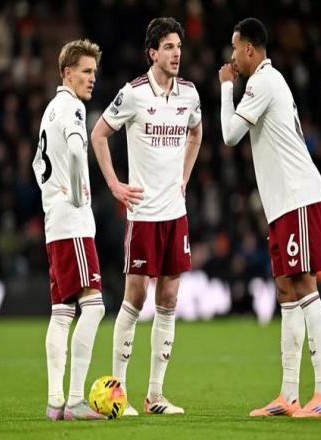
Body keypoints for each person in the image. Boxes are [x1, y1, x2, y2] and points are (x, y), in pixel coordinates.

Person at [219, 18, 321, 418]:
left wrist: (225, 87)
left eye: (235, 48)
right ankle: (288, 395)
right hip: (283, 203)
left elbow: (230, 135)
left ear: (249, 49)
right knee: (286, 290)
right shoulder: (269, 81)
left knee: (303, 285)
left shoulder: (262, 82)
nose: (232, 56)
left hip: (298, 197)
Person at [91, 17, 202, 416]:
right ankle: (117, 393)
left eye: (179, 47)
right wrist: (115, 185)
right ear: (152, 53)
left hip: (176, 214)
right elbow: (99, 135)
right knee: (135, 298)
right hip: (143, 216)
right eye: (168, 47)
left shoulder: (189, 94)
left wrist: (184, 178)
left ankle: (155, 396)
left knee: (169, 298)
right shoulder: (133, 94)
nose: (176, 53)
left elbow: (196, 133)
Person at [32, 39, 106, 421]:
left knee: (62, 313)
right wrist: (77, 195)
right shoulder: (73, 107)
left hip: (54, 223)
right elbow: (77, 151)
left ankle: (54, 402)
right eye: (86, 71)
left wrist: (53, 196)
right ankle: (76, 400)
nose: (92, 78)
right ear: (67, 73)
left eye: (94, 72)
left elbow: (37, 165)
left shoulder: (49, 110)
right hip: (72, 223)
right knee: (94, 307)